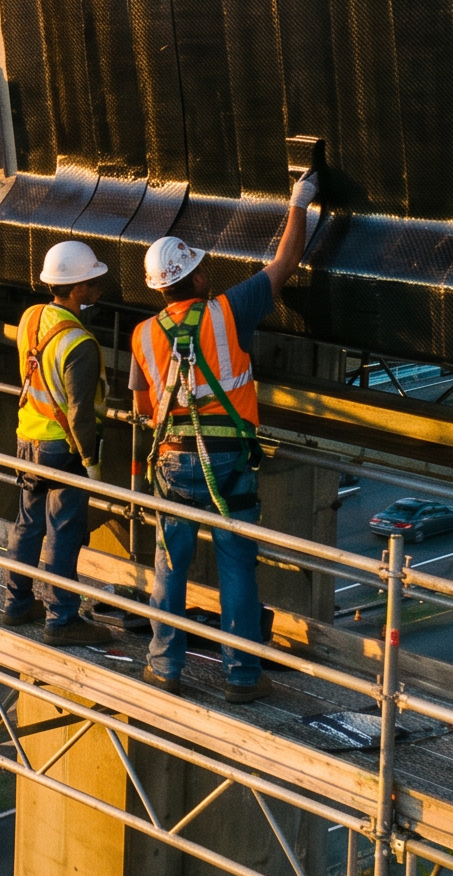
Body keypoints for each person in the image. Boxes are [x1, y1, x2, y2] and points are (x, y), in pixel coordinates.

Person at [132, 170, 320, 704]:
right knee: (237, 563)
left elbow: (144, 406)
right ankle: (241, 676)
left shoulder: (143, 334)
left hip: (171, 461)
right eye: (200, 268)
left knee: (170, 564)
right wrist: (299, 204)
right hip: (227, 461)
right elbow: (284, 264)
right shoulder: (227, 311)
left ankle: (164, 666)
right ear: (191, 277)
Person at [6, 240, 115, 645]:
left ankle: (17, 604)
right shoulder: (80, 344)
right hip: (61, 448)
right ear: (75, 289)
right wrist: (92, 466)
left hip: (27, 438)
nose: (98, 285)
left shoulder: (32, 318)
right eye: (92, 280)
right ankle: (61, 619)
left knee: (28, 523)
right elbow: (80, 415)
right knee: (64, 533)